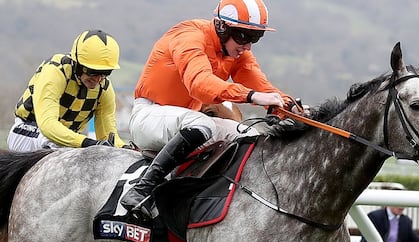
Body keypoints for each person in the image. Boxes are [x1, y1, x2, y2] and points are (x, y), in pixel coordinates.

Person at [121, 0, 306, 219]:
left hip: (185, 121)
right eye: (243, 36)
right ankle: (141, 190)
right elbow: (199, 84)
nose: (247, 46)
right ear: (222, 27)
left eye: (255, 38)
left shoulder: (236, 53)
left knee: (248, 136)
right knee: (202, 123)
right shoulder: (189, 37)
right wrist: (251, 96)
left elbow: (261, 86)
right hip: (149, 116)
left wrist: (288, 106)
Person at [7, 29, 128, 152]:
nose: (98, 79)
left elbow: (108, 137)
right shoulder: (55, 71)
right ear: (77, 63)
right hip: (28, 130)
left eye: (105, 73)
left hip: (68, 141)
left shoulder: (104, 88)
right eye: (92, 72)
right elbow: (48, 125)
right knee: (54, 143)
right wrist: (87, 143)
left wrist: (125, 148)